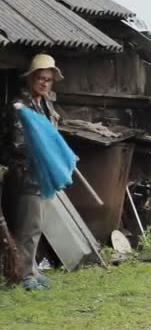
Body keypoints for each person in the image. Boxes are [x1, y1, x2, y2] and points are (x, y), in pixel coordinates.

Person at [6, 54, 63, 290]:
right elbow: (20, 144)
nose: (44, 82)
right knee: (27, 226)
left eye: (48, 79)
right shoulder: (20, 105)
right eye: (40, 78)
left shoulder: (45, 104)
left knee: (36, 225)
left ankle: (31, 269)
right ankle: (24, 274)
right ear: (31, 78)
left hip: (41, 174)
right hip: (25, 173)